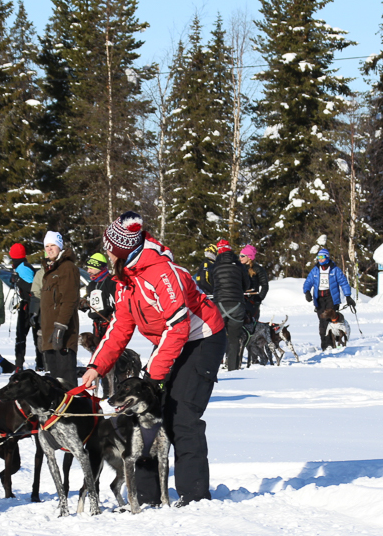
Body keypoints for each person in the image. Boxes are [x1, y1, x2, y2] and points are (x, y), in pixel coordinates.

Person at [81, 211, 226, 507]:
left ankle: (195, 497)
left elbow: (179, 326)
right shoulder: (124, 279)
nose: (105, 252)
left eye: (109, 247)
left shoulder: (161, 272)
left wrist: (153, 378)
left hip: (203, 339)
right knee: (144, 414)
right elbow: (120, 327)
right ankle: (147, 497)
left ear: (121, 250)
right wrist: (97, 367)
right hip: (170, 342)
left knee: (181, 417)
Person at [39, 231, 81, 386]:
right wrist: (43, 332)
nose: (49, 249)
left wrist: (60, 328)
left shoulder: (67, 267)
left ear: (60, 247)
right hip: (50, 336)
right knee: (55, 384)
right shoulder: (50, 270)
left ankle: (73, 409)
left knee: (66, 383)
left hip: (63, 337)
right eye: (47, 246)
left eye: (53, 245)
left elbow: (69, 300)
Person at [303, 248, 355, 350]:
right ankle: (325, 345)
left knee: (331, 321)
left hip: (331, 297)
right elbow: (308, 282)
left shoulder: (335, 270)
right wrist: (307, 292)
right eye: (318, 257)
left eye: (322, 257)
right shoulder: (315, 270)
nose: (320, 259)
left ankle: (335, 344)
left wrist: (348, 296)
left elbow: (343, 283)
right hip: (319, 299)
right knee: (322, 321)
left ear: (327, 257)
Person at [212, 239, 250, 370]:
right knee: (234, 339)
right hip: (237, 304)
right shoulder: (239, 266)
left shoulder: (214, 266)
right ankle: (233, 368)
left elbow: (212, 285)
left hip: (219, 305)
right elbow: (247, 285)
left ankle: (214, 367)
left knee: (217, 337)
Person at [7, 243, 42, 372]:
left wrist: (18, 280)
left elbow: (32, 288)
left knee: (27, 336)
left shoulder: (23, 268)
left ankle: (30, 364)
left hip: (30, 306)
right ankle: (22, 364)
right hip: (27, 305)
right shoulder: (22, 266)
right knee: (24, 335)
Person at [82, 252, 117, 346]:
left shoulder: (112, 282)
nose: (88, 271)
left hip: (111, 325)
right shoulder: (91, 285)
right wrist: (83, 303)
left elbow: (118, 304)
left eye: (91, 268)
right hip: (97, 326)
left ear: (99, 267)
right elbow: (91, 301)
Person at [239, 245, 269, 324]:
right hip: (240, 300)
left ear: (249, 257)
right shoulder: (239, 268)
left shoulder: (258, 269)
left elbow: (265, 285)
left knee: (251, 324)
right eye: (239, 256)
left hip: (252, 302)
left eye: (242, 256)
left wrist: (259, 299)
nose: (240, 258)